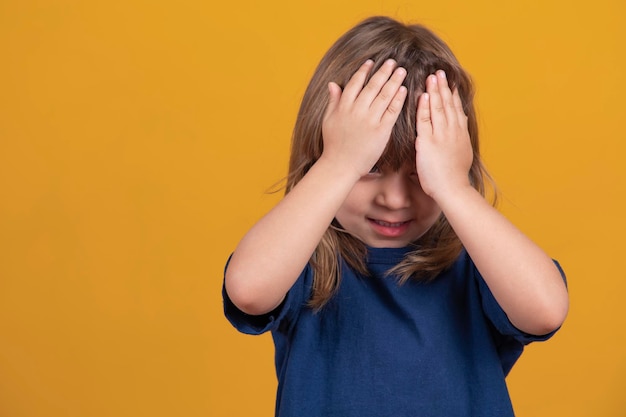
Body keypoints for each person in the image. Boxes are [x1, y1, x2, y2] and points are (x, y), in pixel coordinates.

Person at [222, 15, 569, 417]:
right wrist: (339, 164)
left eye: (421, 174)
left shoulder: (479, 261)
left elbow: (546, 311)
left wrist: (454, 189)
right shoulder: (306, 258)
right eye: (369, 168)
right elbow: (246, 290)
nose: (394, 198)